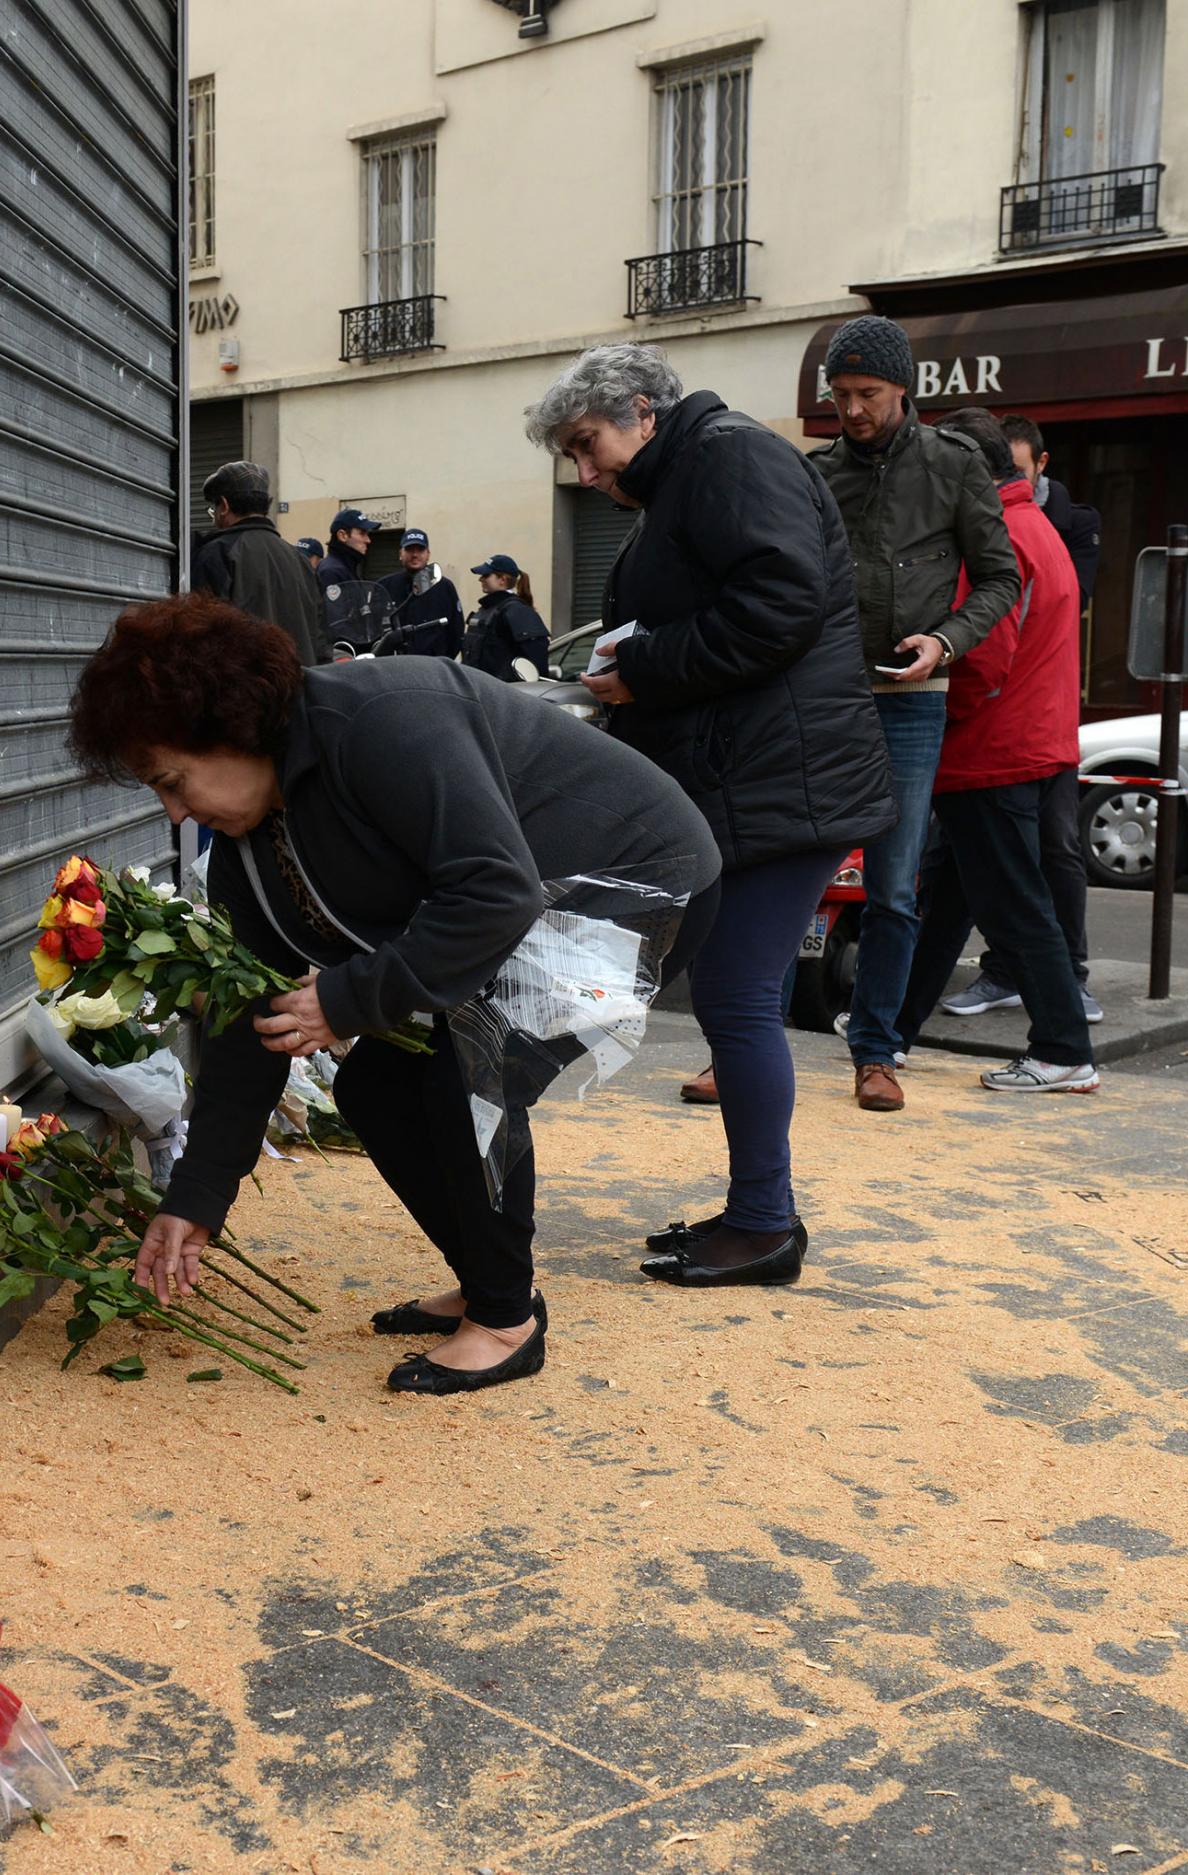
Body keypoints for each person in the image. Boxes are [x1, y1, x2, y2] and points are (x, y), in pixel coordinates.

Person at [74, 596, 723, 1392]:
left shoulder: (380, 722)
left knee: (464, 1070)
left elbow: (493, 892)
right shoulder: (249, 847)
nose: (175, 811)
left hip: (636, 878)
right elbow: (258, 1020)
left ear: (232, 727)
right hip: (523, 898)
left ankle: (506, 1317)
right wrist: (198, 1195)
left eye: (174, 782)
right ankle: (487, 1278)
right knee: (377, 1085)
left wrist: (348, 1000)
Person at [532, 343, 893, 1286]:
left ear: (643, 412)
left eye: (588, 443)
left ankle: (767, 1224)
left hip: (780, 787)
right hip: (762, 781)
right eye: (572, 455)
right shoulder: (696, 468)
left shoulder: (729, 456)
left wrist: (641, 666)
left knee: (736, 998)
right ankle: (755, 1212)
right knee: (734, 999)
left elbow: (781, 605)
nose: (586, 469)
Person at [812, 315, 1020, 1114]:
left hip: (910, 701)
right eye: (841, 394)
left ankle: (877, 1051)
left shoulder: (953, 465)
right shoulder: (816, 474)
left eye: (867, 393)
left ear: (905, 389)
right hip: (826, 699)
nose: (853, 409)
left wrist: (944, 640)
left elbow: (1003, 579)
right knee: (790, 879)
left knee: (895, 887)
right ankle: (743, 1045)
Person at [887, 409, 1097, 1092]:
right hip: (1031, 741)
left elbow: (983, 656)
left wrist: (940, 710)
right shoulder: (1034, 524)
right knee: (953, 896)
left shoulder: (995, 534)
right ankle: (892, 1029)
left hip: (992, 748)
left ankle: (1064, 1048)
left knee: (1012, 904)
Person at [190, 460, 329, 665]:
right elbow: (320, 639)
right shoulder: (300, 560)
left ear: (224, 506)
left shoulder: (217, 554)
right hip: (299, 686)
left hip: (246, 691)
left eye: (214, 508)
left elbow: (203, 638)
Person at [1000, 416, 1102, 607]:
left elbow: (1073, 601)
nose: (1006, 481)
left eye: (1017, 472)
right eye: (998, 471)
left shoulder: (1078, 523)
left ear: (1041, 463)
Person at [462, 553, 550, 680]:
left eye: (486, 575)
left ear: (502, 580)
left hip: (503, 692)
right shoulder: (487, 609)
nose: (480, 579)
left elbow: (536, 659)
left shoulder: (517, 611)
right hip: (479, 688)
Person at [377, 528, 464, 657]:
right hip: (394, 666)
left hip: (432, 667)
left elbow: (456, 631)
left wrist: (442, 662)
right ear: (400, 553)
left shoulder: (444, 587)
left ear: (428, 554)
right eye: (410, 549)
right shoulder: (385, 586)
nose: (415, 555)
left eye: (420, 550)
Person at [315, 507, 386, 654]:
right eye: (362, 533)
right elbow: (336, 626)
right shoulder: (332, 571)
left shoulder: (349, 568)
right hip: (343, 656)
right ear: (343, 535)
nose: (368, 540)